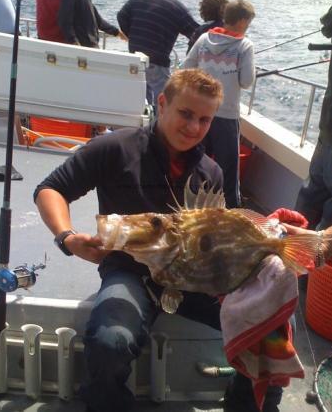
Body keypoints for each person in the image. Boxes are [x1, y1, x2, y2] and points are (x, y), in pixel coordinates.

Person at [34, 68, 286, 412]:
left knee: (270, 332)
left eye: (205, 120)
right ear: (162, 103)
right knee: (110, 343)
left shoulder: (210, 171)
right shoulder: (115, 148)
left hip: (194, 279)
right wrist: (67, 238)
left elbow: (218, 238)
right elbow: (51, 189)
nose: (194, 127)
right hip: (131, 271)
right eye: (186, 113)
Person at [182, 0, 256, 208]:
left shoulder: (205, 39)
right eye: (248, 22)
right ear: (242, 21)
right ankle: (230, 210)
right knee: (228, 169)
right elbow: (246, 81)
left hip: (201, 113)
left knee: (196, 162)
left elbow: (186, 67)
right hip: (227, 116)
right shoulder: (245, 45)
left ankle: (191, 205)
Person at [117, 0, 199, 111]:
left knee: (138, 102)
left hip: (136, 58)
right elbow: (196, 33)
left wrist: (133, 36)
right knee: (162, 105)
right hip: (158, 63)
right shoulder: (177, 7)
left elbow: (121, 16)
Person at [295, 56, 332, 231]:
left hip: (326, 131)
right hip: (326, 136)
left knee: (310, 196)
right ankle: (311, 254)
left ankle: (291, 244)